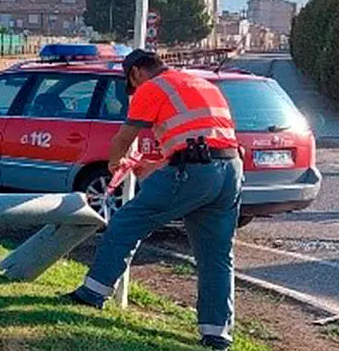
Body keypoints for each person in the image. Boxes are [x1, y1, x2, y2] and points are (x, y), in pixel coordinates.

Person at [66, 49, 243, 351]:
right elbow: (204, 140)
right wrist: (158, 165)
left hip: (192, 171)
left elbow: (123, 138)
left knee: (125, 223)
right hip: (230, 172)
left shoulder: (153, 87)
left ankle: (93, 294)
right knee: (216, 255)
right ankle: (217, 333)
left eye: (131, 87)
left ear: (135, 73)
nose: (134, 93)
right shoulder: (201, 85)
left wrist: (114, 165)